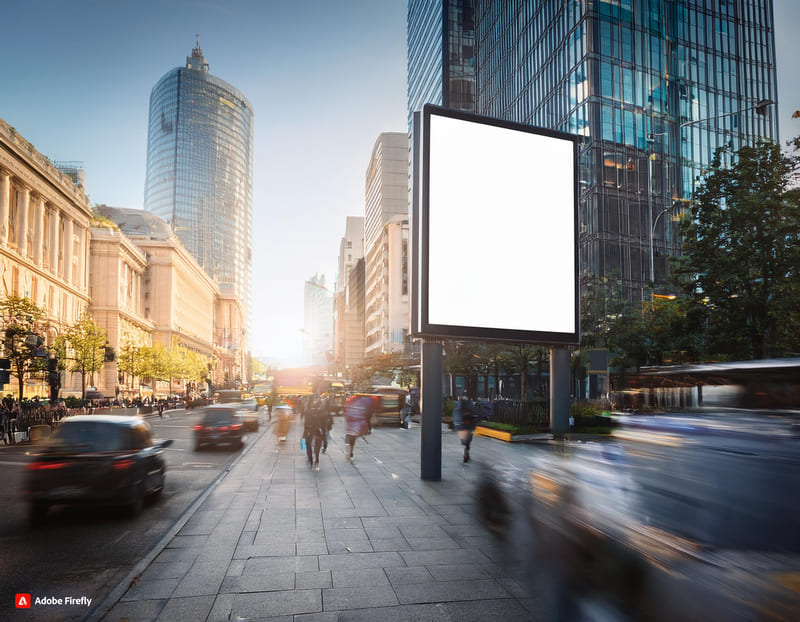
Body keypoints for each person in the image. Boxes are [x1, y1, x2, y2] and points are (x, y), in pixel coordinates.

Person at [344, 394, 373, 461]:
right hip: (357, 423)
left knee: (351, 437)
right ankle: (351, 452)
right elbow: (367, 415)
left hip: (351, 423)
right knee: (353, 437)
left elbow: (346, 411)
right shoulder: (363, 403)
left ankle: (350, 452)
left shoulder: (350, 402)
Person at [303, 395, 326, 470]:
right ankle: (315, 458)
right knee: (316, 445)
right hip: (317, 429)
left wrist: (305, 431)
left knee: (309, 444)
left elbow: (306, 422)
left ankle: (312, 458)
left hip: (311, 429)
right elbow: (323, 423)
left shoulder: (308, 410)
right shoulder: (321, 410)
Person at [453, 394, 476, 463]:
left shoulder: (458, 405)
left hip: (462, 424)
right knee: (468, 438)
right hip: (468, 425)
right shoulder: (470, 404)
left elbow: (456, 415)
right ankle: (466, 449)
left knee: (465, 438)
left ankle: (466, 447)